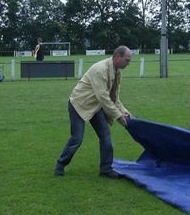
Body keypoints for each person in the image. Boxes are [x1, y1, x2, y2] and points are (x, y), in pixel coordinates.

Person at [55, 46, 133, 179]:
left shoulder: (117, 73)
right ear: (117, 57)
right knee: (77, 139)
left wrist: (126, 113)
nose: (128, 63)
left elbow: (114, 98)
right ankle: (60, 164)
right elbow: (103, 97)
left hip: (95, 106)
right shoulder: (100, 69)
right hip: (79, 104)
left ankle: (106, 169)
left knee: (105, 135)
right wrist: (118, 116)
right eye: (127, 60)